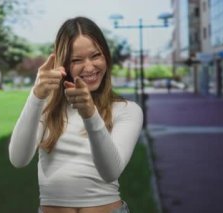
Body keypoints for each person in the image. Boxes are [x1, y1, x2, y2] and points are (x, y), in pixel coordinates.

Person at [9, 16, 143, 213]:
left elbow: (110, 172)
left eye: (95, 56)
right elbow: (18, 159)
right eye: (77, 60)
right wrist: (36, 96)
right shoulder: (46, 107)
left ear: (106, 55)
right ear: (63, 64)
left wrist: (90, 114)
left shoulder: (126, 110)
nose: (89, 67)